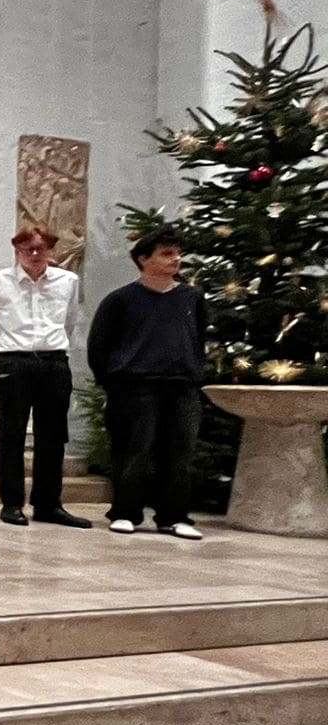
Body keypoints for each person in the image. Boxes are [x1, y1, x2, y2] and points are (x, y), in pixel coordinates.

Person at [88, 228, 209, 539]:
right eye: (166, 254)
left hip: (182, 386)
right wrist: (113, 382)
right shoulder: (121, 300)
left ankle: (174, 517)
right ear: (144, 259)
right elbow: (99, 346)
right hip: (135, 387)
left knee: (180, 453)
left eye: (177, 253)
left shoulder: (191, 298)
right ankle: (125, 512)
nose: (176, 259)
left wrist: (194, 372)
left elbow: (199, 339)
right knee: (133, 451)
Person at [0, 227, 92, 528]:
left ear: (51, 250)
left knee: (53, 436)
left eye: (41, 248)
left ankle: (48, 504)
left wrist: (52, 350)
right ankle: (12, 503)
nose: (34, 253)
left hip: (53, 361)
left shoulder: (68, 281)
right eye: (27, 248)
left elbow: (69, 322)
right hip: (13, 361)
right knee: (12, 434)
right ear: (16, 250)